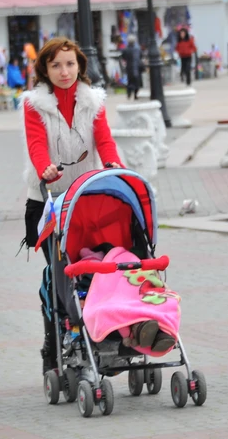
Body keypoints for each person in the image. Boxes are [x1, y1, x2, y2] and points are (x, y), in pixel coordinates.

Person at [21, 37, 126, 372]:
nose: (64, 72)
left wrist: (112, 165)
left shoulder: (93, 102)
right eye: (56, 65)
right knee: (59, 272)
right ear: (45, 70)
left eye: (70, 64)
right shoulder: (34, 104)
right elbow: (36, 144)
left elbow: (104, 140)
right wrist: (44, 169)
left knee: (95, 266)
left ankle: (105, 331)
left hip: (86, 198)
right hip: (49, 201)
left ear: (80, 66)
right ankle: (55, 343)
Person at [120, 34, 142, 100]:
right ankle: (135, 94)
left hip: (129, 67)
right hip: (137, 68)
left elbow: (123, 57)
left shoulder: (126, 49)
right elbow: (141, 56)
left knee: (130, 81)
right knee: (136, 82)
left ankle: (129, 93)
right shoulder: (138, 49)